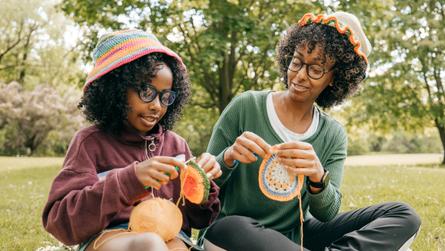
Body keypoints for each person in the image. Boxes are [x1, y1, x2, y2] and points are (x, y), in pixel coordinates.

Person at [204, 12, 421, 251]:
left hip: (296, 238)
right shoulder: (246, 107)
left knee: (403, 215)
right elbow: (204, 189)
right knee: (230, 227)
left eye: (316, 69)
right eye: (297, 62)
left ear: (334, 79)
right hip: (233, 234)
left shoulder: (332, 134)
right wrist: (227, 157)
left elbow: (327, 213)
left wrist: (318, 177)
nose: (299, 75)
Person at [42, 29, 221, 251]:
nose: (157, 105)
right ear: (116, 90)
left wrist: (203, 189)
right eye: (146, 92)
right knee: (150, 243)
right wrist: (130, 180)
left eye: (166, 96)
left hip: (172, 238)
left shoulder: (176, 145)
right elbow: (61, 222)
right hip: (111, 238)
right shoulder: (90, 143)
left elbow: (200, 220)